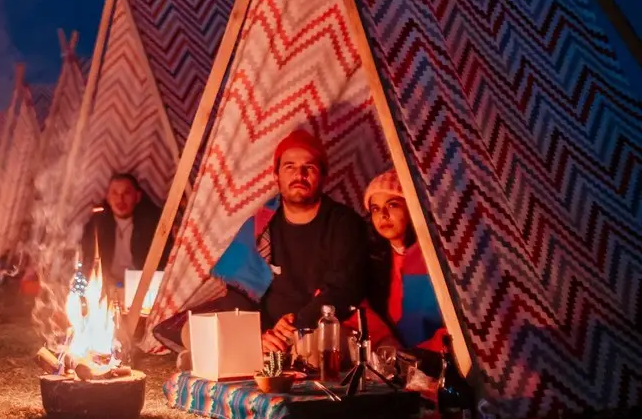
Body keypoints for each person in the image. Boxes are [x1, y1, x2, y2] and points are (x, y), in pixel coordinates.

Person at [152, 129, 369, 357]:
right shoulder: (260, 225)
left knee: (317, 351)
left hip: (312, 326)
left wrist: (298, 324)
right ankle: (245, 349)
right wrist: (259, 333)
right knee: (191, 329)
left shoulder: (344, 224)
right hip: (264, 330)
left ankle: (230, 354)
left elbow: (343, 289)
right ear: (277, 176)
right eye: (290, 167)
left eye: (309, 168)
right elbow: (239, 291)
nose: (300, 175)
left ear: (323, 176)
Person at [357, 169, 448, 367]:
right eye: (375, 209)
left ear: (412, 208)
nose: (383, 215)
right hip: (392, 363)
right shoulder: (373, 258)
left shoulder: (436, 258)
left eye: (393, 205)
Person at [79, 173, 164, 290]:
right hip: (106, 288)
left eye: (127, 193)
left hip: (142, 288)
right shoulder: (97, 224)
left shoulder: (153, 224)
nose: (120, 199)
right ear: (108, 198)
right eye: (115, 193)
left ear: (138, 196)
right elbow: (87, 259)